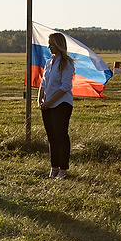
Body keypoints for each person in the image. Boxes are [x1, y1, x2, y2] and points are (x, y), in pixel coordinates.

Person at [39, 31, 75, 179]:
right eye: (49, 44)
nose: (49, 47)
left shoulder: (66, 63)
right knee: (51, 137)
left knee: (61, 136)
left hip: (61, 104)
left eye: (52, 44)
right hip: (47, 104)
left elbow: (65, 86)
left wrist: (49, 102)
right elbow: (43, 83)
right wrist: (40, 99)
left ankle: (63, 169)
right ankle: (54, 167)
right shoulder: (49, 62)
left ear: (59, 45)